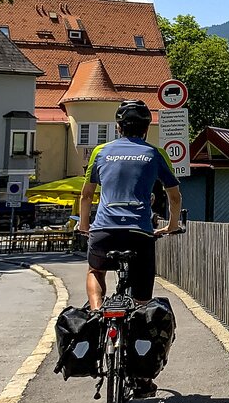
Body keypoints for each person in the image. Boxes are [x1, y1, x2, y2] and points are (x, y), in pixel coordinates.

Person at [76, 99, 182, 312]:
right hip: (139, 232)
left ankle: (97, 313)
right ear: (146, 129)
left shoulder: (100, 152)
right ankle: (137, 318)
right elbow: (174, 197)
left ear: (118, 127)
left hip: (104, 229)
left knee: (95, 271)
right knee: (142, 296)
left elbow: (86, 195)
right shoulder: (156, 154)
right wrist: (171, 226)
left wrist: (84, 225)